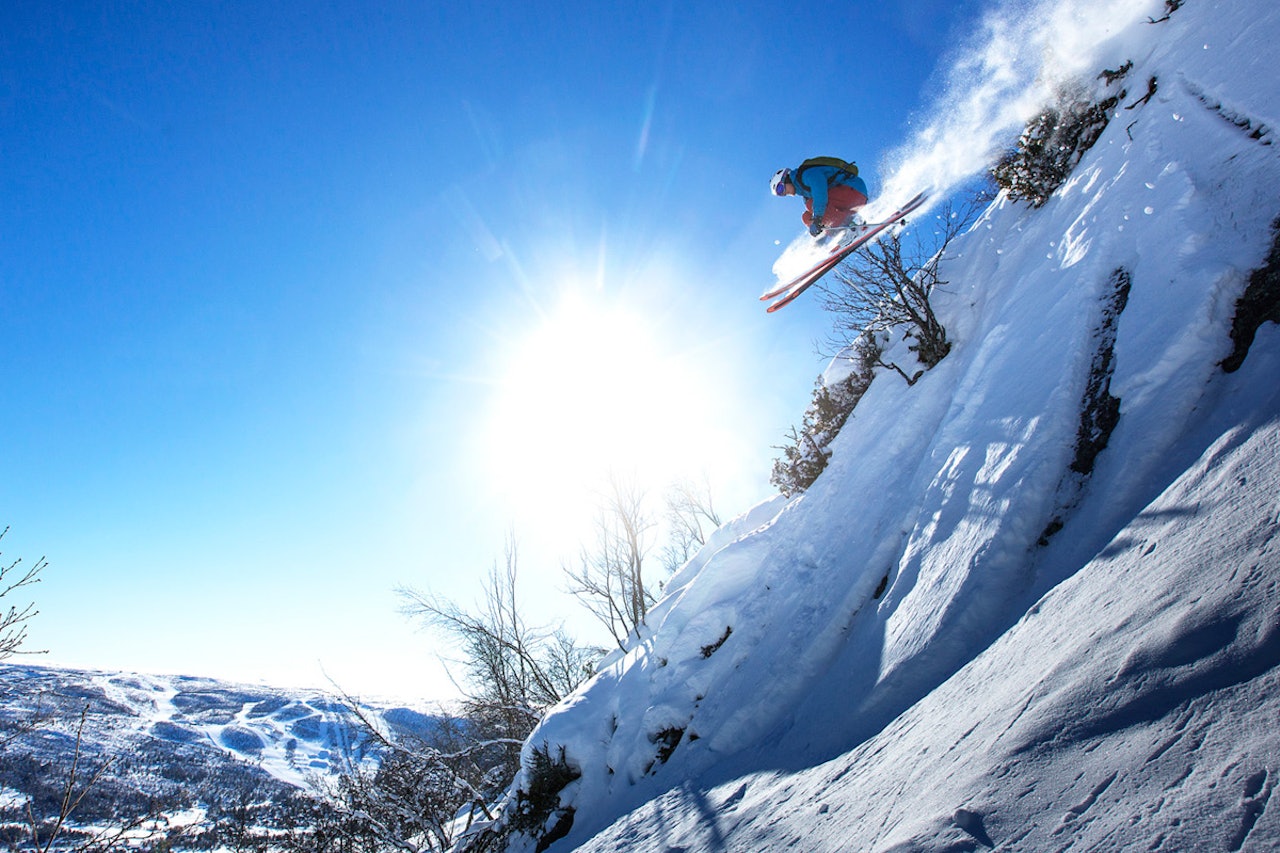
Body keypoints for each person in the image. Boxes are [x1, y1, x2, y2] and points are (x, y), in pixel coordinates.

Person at [770, 157, 869, 236]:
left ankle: (852, 225)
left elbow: (820, 194)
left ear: (786, 179)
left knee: (813, 206)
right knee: (806, 217)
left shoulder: (808, 174)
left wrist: (817, 219)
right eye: (779, 194)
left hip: (854, 190)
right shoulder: (805, 195)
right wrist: (817, 229)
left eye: (780, 188)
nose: (784, 193)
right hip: (844, 203)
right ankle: (840, 235)